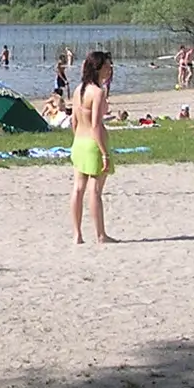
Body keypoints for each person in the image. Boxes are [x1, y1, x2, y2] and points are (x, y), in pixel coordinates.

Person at [69, 50, 116, 245]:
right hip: (92, 144)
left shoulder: (79, 89)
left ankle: (77, 234)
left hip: (79, 141)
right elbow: (96, 125)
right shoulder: (97, 92)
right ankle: (100, 235)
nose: (109, 69)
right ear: (98, 68)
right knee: (94, 190)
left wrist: (76, 140)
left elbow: (74, 120)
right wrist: (104, 153)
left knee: (78, 188)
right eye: (106, 66)